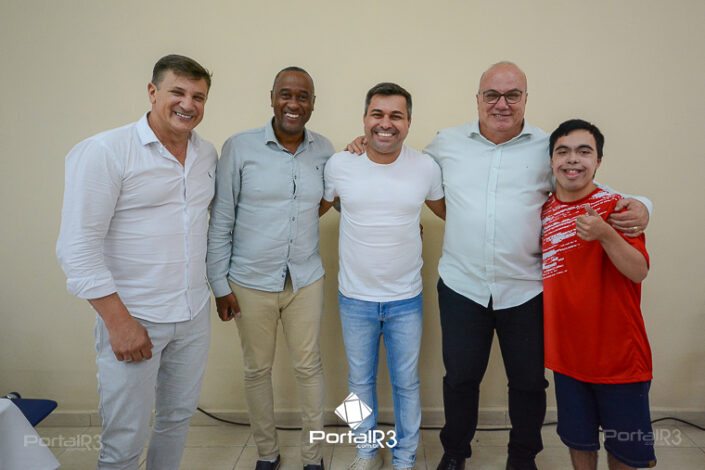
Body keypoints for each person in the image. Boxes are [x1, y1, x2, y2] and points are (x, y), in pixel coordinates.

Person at [347, 61, 651, 470]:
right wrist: (362, 148)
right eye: (492, 95)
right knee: (459, 379)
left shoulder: (546, 147)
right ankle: (455, 453)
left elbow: (585, 185)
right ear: (478, 99)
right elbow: (405, 167)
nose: (501, 104)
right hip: (462, 285)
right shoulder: (447, 143)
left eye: (512, 95)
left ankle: (522, 458)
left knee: (528, 383)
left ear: (526, 99)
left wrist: (642, 205)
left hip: (524, 288)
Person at [56, 54, 215, 469]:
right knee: (125, 437)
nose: (188, 104)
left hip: (192, 314)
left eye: (198, 97)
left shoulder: (206, 155)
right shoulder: (106, 151)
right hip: (134, 316)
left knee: (176, 420)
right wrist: (119, 323)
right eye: (178, 92)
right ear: (152, 92)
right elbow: (77, 248)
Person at [207, 66, 334, 470]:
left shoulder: (325, 150)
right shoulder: (239, 147)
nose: (293, 103)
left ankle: (312, 457)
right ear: (272, 98)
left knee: (309, 366)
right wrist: (218, 284)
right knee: (257, 369)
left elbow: (332, 199)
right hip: (249, 281)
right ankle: (267, 453)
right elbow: (221, 218)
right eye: (286, 94)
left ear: (312, 104)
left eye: (302, 96)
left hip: (305, 278)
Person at [320, 83, 445, 470]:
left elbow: (451, 213)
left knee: (407, 383)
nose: (385, 123)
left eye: (396, 116)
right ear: (364, 119)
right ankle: (366, 451)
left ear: (408, 122)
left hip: (405, 298)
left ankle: (405, 456)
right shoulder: (340, 164)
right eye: (377, 114)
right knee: (357, 383)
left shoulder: (425, 167)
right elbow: (320, 208)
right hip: (354, 297)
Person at [542, 119, 656, 470]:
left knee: (625, 453)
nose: (572, 160)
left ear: (598, 161)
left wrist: (605, 234)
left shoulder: (618, 208)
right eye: (563, 151)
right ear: (551, 161)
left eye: (584, 151)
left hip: (619, 360)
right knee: (579, 444)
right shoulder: (544, 210)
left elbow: (638, 270)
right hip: (567, 358)